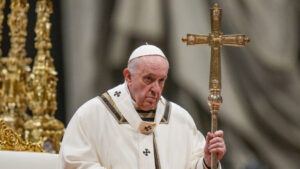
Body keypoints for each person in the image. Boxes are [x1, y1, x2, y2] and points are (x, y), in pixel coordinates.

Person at [58, 44, 226, 169]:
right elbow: (74, 163)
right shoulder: (92, 115)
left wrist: (207, 161)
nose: (156, 89)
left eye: (161, 81)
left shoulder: (180, 119)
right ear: (128, 76)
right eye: (148, 79)